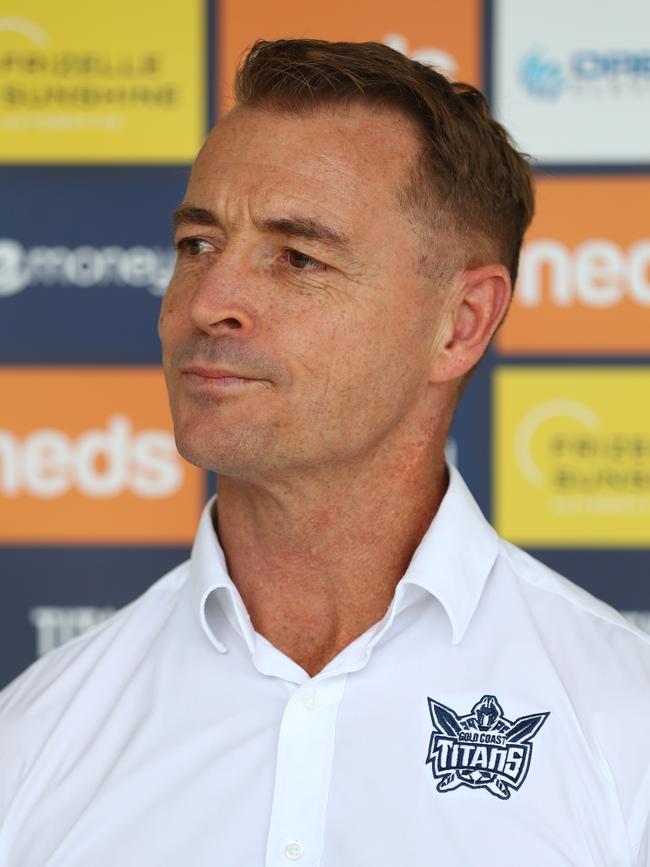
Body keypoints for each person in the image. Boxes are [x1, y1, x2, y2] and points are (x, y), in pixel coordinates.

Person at [1, 38, 649, 867]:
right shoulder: (34, 739)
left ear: (460, 324)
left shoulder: (625, 726)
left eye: (298, 257)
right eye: (198, 245)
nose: (209, 302)